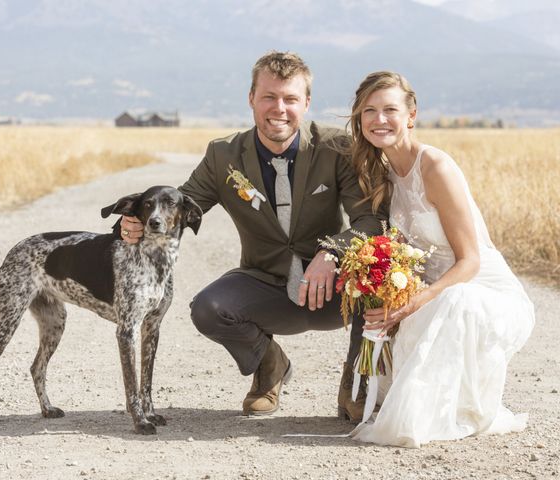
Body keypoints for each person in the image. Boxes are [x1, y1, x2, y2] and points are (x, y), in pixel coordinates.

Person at [120, 51, 387, 418]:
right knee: (209, 309)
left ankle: (355, 387)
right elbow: (179, 207)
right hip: (266, 285)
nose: (279, 108)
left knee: (380, 278)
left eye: (290, 99)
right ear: (251, 99)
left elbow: (371, 220)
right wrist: (136, 219)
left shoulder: (336, 148)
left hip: (331, 288)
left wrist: (332, 252)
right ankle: (269, 364)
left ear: (306, 103)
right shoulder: (223, 155)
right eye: (269, 97)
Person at [346, 71, 535, 447]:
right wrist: (390, 297)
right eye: (370, 110)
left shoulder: (435, 167)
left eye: (390, 109)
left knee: (454, 301)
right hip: (434, 292)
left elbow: (470, 262)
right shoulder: (384, 174)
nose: (379, 119)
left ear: (411, 115)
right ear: (359, 118)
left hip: (479, 290)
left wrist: (414, 303)